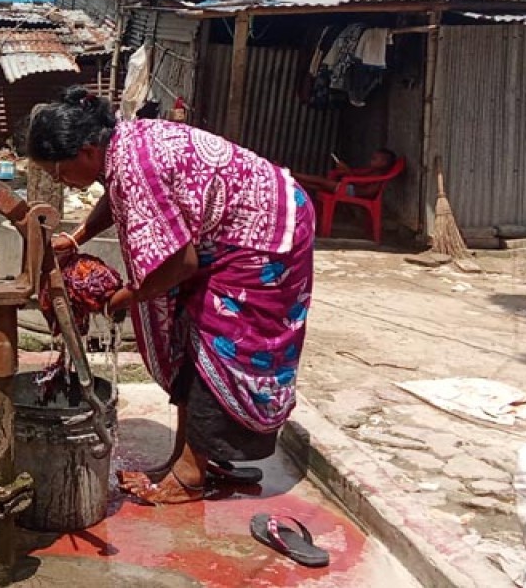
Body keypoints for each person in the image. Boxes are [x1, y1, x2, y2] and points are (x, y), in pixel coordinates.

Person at [27, 86, 316, 505]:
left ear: (87, 150)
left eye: (60, 172)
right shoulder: (120, 147)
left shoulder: (134, 163)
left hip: (266, 236)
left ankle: (191, 475)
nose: (62, 183)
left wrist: (124, 297)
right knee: (187, 332)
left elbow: (181, 264)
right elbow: (117, 195)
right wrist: (78, 237)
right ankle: (192, 458)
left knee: (216, 341)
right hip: (231, 232)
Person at [292, 149, 397, 200]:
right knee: (319, 185)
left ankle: (293, 174)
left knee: (321, 181)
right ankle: (295, 181)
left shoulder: (379, 175)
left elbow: (367, 189)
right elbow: (358, 175)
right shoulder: (371, 170)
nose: (371, 161)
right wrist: (346, 170)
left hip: (354, 192)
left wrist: (348, 173)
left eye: (374, 159)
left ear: (384, 162)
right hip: (351, 188)